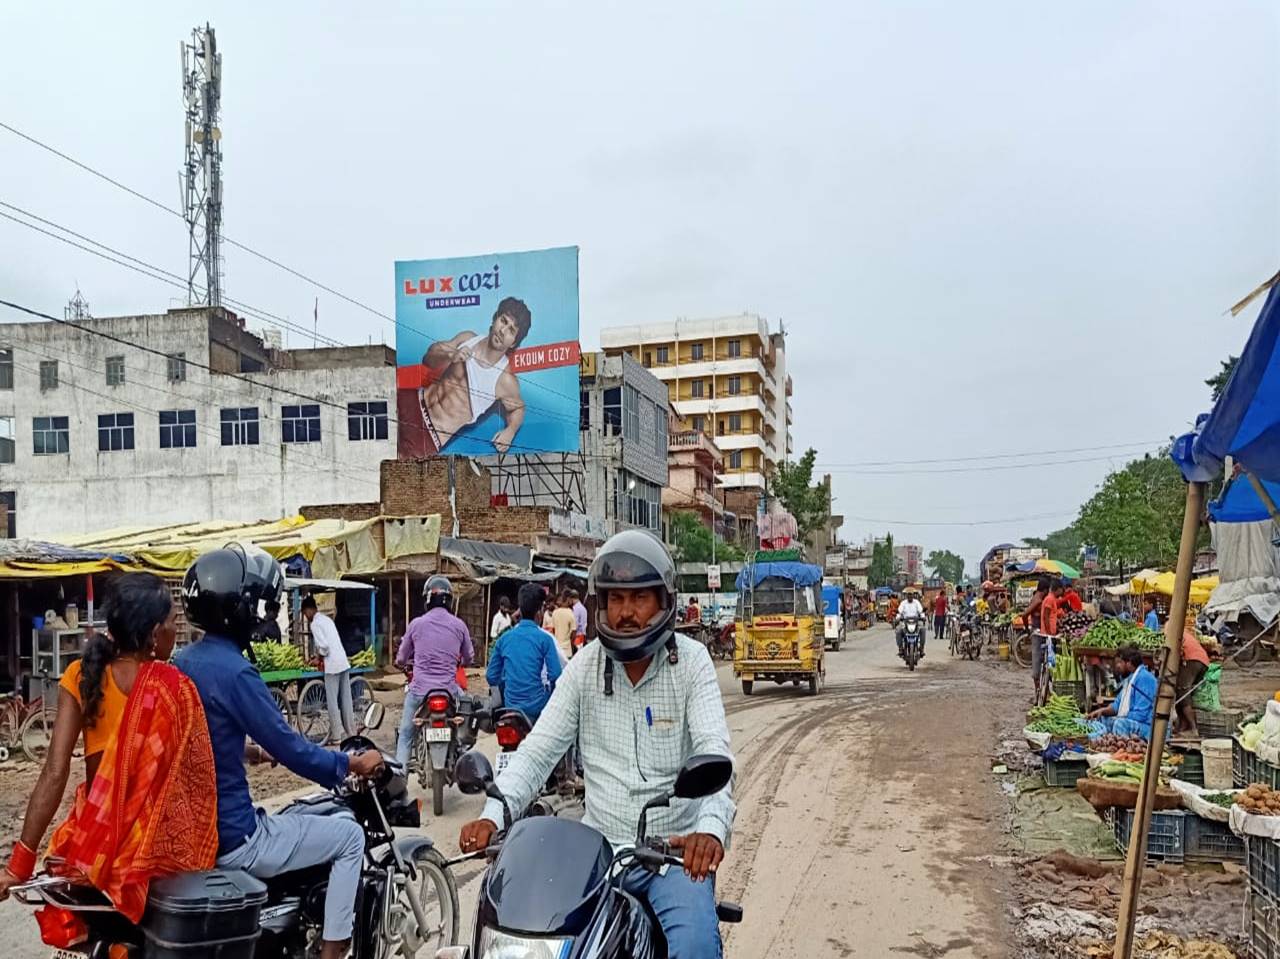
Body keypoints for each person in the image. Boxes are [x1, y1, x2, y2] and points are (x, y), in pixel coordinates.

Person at [459, 530, 734, 958]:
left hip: (671, 856)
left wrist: (709, 832)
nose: (626, 613)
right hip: (598, 855)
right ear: (600, 605)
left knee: (695, 946)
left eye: (639, 598)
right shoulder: (585, 666)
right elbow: (537, 752)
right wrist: (493, 815)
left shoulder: (692, 663)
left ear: (664, 601)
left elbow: (714, 756)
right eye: (615, 599)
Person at [176, 547, 383, 959]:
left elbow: (197, 739)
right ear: (239, 610)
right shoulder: (237, 672)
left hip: (195, 832)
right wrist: (350, 763)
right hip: (237, 837)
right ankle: (333, 949)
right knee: (349, 835)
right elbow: (292, 750)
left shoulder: (182, 661)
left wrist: (245, 751)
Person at [0, 573, 218, 919]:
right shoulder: (174, 688)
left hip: (92, 847)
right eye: (172, 622)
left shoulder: (80, 674)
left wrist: (19, 865)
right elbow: (195, 775)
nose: (175, 631)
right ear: (153, 634)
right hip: (149, 853)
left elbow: (55, 773)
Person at [399, 297, 532, 455]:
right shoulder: (468, 338)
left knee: (390, 468)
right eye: (503, 321)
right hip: (411, 401)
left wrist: (510, 431)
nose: (503, 331)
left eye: (511, 330)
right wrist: (450, 355)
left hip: (428, 436)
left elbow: (518, 408)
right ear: (495, 318)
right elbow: (428, 358)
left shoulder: (505, 379)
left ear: (514, 343)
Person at [394, 575, 475, 768]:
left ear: (427, 599)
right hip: (450, 690)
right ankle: (464, 757)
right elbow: (469, 658)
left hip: (419, 690)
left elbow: (401, 658)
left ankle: (399, 776)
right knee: (467, 715)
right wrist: (461, 662)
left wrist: (401, 663)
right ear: (449, 600)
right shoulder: (459, 625)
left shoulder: (416, 624)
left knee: (405, 734)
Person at [487, 582, 564, 722]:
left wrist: (507, 685)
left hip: (510, 707)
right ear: (540, 612)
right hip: (538, 708)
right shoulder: (545, 639)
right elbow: (556, 675)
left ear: (520, 610)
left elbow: (491, 676)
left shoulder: (504, 639)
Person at [302, 596, 355, 744]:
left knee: (332, 701)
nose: (305, 617)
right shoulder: (327, 620)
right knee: (346, 700)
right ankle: (351, 732)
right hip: (343, 661)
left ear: (309, 610)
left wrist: (318, 658)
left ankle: (336, 735)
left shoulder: (315, 624)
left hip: (332, 665)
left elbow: (324, 647)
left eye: (305, 613)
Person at [1086, 646, 1158, 740]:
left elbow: (1141, 715)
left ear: (1129, 663)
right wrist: (1101, 711)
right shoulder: (1130, 679)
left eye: (1119, 662)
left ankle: (1122, 747)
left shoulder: (1145, 678)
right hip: (1133, 721)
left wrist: (1119, 717)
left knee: (1119, 724)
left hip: (1149, 728)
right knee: (1101, 719)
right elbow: (1116, 706)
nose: (1117, 666)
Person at [1176, 620, 1212, 737]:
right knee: (1182, 693)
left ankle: (1193, 728)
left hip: (1192, 660)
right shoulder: (1183, 630)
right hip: (1203, 661)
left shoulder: (1170, 629)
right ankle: (1183, 726)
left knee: (1183, 693)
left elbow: (1178, 649)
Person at [895, 590, 926, 657]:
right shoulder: (903, 603)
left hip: (916, 622)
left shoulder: (916, 602)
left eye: (911, 594)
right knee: (898, 630)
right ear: (906, 596)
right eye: (908, 594)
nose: (910, 596)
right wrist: (897, 618)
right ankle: (900, 648)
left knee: (923, 629)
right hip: (905, 622)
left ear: (913, 595)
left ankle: (921, 648)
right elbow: (899, 612)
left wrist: (923, 617)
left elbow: (921, 611)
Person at [551, 591, 578, 661]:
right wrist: (572, 646)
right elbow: (573, 633)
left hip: (557, 650)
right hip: (567, 651)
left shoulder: (554, 612)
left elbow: (553, 630)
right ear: (568, 599)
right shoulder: (570, 613)